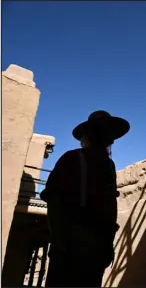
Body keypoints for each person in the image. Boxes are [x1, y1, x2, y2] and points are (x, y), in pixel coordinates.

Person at [40, 110, 130, 287]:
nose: (108, 139)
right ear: (91, 135)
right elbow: (54, 200)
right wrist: (60, 241)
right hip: (71, 247)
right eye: (102, 132)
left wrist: (106, 243)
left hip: (97, 250)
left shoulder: (109, 166)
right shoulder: (72, 158)